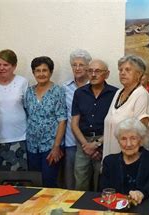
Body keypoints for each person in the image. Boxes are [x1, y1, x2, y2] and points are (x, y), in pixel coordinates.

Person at [71, 59, 117, 191]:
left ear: (107, 74)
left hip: (105, 141)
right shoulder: (79, 93)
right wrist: (86, 146)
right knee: (80, 182)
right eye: (90, 71)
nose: (93, 74)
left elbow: (116, 124)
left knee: (103, 182)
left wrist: (96, 144)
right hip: (83, 143)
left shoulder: (115, 94)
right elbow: (74, 124)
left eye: (97, 71)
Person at [100, 118, 149, 204]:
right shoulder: (109, 162)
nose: (128, 144)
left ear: (141, 141)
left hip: (144, 207)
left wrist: (142, 193)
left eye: (133, 138)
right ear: (118, 141)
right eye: (123, 139)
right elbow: (104, 190)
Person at [24, 56, 66, 188]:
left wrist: (56, 146)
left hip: (50, 145)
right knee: (34, 182)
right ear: (33, 73)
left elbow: (62, 120)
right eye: (38, 70)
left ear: (50, 72)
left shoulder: (57, 91)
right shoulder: (29, 91)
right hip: (32, 145)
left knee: (49, 183)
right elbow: (27, 114)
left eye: (45, 70)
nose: (41, 74)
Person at [0, 49, 28, 171]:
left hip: (18, 137)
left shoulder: (22, 82)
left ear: (14, 66)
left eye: (6, 65)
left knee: (18, 179)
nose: (1, 68)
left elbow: (27, 107)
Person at [103, 55, 149, 159]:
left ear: (139, 74)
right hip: (110, 156)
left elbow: (140, 133)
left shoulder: (141, 95)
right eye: (120, 70)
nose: (122, 73)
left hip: (129, 159)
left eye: (127, 70)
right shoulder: (118, 92)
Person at [62, 49, 91, 189]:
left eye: (81, 65)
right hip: (70, 141)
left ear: (88, 67)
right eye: (74, 65)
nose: (77, 68)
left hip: (91, 142)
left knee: (89, 182)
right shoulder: (65, 88)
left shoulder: (94, 87)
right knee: (71, 181)